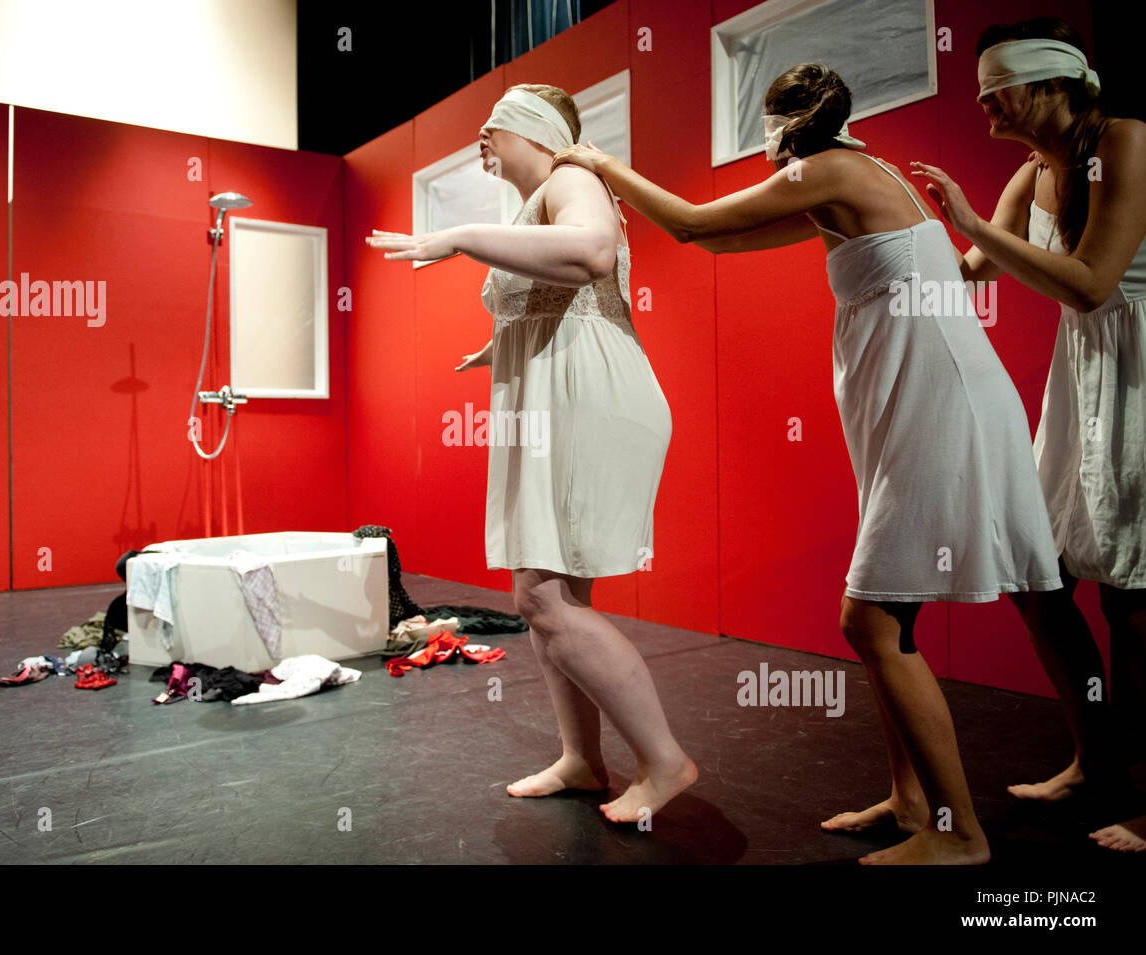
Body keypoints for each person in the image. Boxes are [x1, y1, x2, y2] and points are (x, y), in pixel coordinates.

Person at [554, 63, 1066, 864]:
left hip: (937, 403)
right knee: (894, 619)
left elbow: (690, 224)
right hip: (916, 401)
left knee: (869, 618)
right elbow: (719, 238)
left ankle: (960, 832)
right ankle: (909, 798)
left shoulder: (827, 168)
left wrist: (604, 165)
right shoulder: (843, 175)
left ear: (787, 122)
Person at [366, 84, 697, 823]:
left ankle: (664, 759)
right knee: (559, 598)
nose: (481, 139)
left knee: (538, 596)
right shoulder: (532, 205)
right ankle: (583, 758)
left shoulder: (570, 179)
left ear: (536, 131)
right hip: (558, 400)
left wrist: (459, 236)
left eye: (493, 128)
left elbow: (590, 252)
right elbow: (557, 291)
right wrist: (500, 346)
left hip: (590, 402)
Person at [910, 17, 1146, 852]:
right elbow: (975, 268)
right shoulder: (1032, 172)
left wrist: (976, 226)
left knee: (1136, 601)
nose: (983, 111)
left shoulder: (1123, 140)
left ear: (1048, 83)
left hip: (1137, 374)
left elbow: (1089, 285)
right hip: (1080, 381)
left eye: (993, 93)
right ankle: (1095, 756)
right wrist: (873, 225)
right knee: (1037, 576)